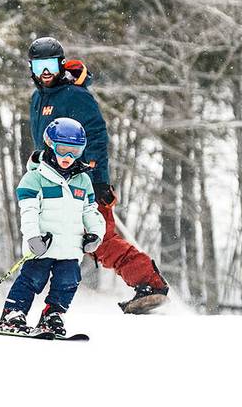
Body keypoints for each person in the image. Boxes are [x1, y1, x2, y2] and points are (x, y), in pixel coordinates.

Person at [27, 36, 169, 313]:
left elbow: (96, 136)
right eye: (39, 65)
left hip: (83, 182)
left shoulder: (75, 96)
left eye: (51, 65)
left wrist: (98, 178)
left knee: (99, 239)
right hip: (55, 182)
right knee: (72, 239)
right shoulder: (38, 98)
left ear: (61, 65)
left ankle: (150, 283)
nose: (45, 72)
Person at [0, 117, 105, 335]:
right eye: (62, 149)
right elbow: (28, 212)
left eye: (74, 151)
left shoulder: (83, 181)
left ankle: (52, 315)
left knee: (68, 283)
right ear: (50, 145)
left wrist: (95, 234)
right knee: (31, 280)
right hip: (42, 246)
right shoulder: (34, 179)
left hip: (71, 249)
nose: (67, 157)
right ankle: (13, 313)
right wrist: (33, 238)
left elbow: (90, 211)